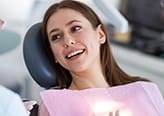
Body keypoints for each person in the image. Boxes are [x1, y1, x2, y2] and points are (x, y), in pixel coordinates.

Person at [36, 0, 164, 116]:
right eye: (56, 37)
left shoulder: (144, 91)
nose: (68, 41)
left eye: (76, 28)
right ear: (53, 54)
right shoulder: (53, 106)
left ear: (101, 34)